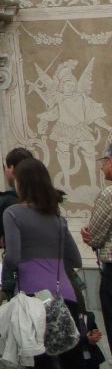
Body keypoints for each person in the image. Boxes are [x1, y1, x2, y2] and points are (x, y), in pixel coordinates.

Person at [3, 157, 107, 369]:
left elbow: (13, 256)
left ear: (21, 183)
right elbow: (73, 258)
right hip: (65, 297)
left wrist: (7, 282)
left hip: (33, 299)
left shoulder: (13, 213)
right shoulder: (57, 218)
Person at [0, 146, 33, 307]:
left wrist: (5, 238)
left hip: (20, 278)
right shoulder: (49, 202)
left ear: (12, 168)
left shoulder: (9, 203)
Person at [81, 140, 112, 341]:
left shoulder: (108, 194)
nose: (101, 167)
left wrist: (89, 236)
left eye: (104, 161)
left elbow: (95, 234)